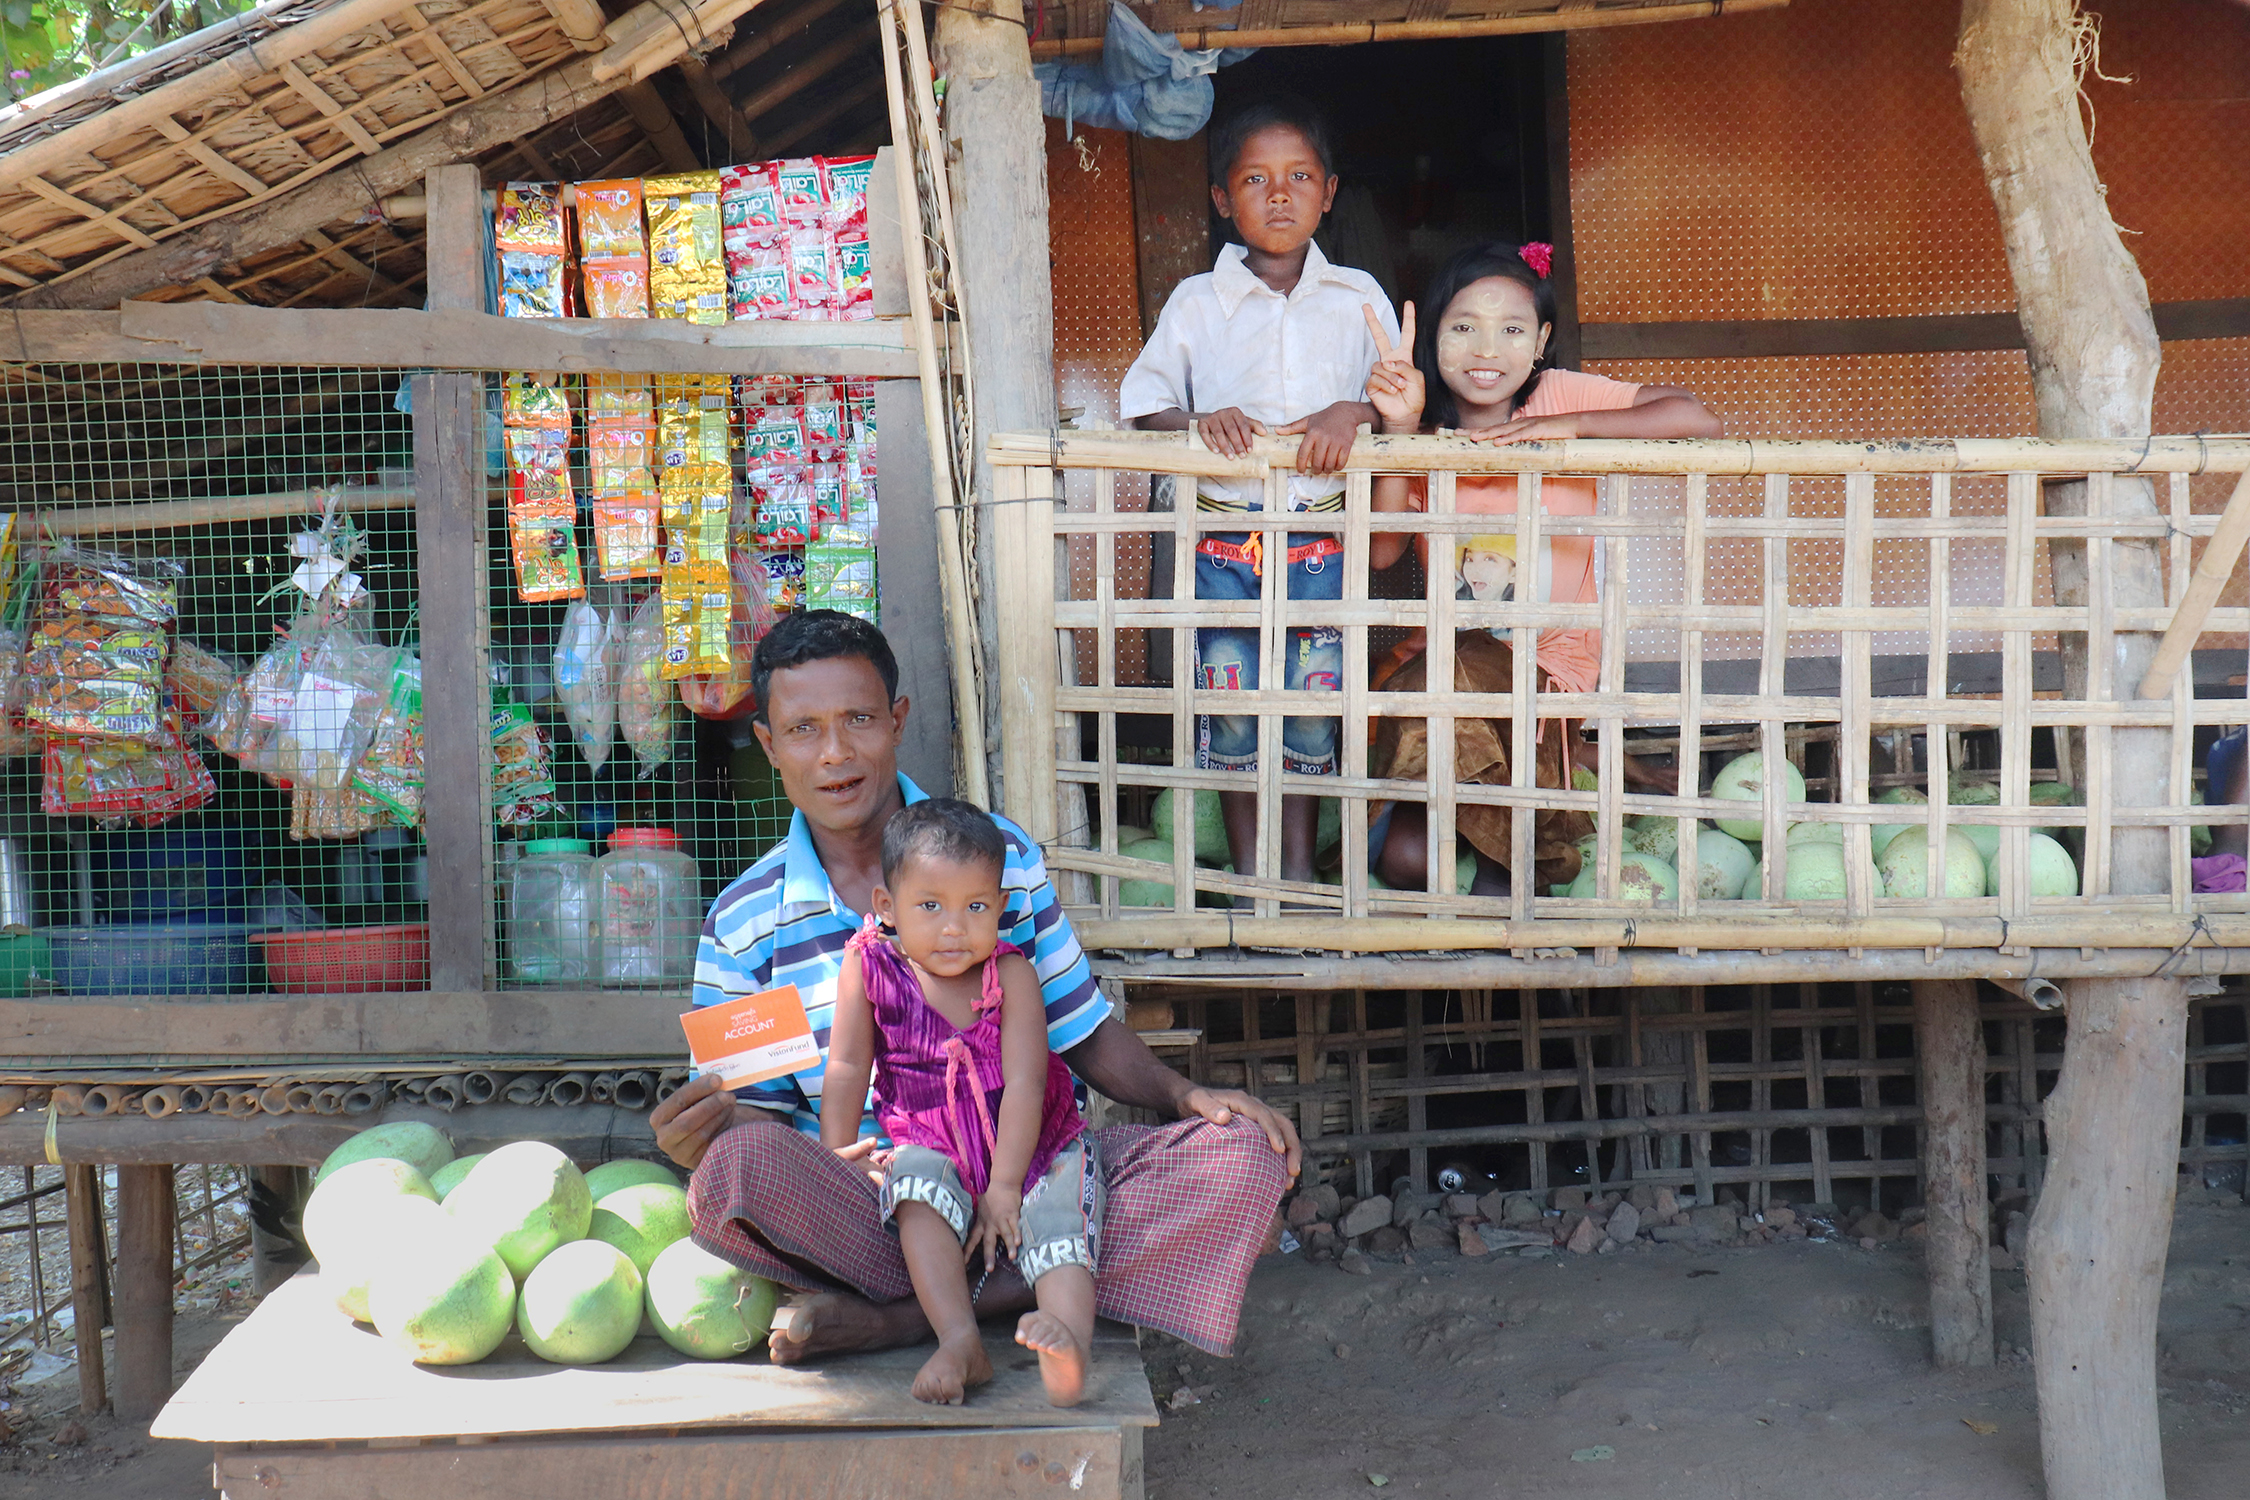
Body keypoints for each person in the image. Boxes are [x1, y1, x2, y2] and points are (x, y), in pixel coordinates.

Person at [651, 609, 1298, 1370]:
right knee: (733, 1171)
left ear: (897, 721)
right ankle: (990, 1291)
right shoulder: (743, 923)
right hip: (869, 1208)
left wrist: (1182, 1093)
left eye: (859, 719)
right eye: (803, 729)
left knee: (1242, 1156)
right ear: (769, 746)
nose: (835, 752)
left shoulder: (1001, 858)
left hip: (1023, 1180)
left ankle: (900, 1321)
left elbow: (1078, 1027)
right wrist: (698, 1139)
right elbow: (754, 1111)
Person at [1362, 240, 1722, 893]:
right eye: (1463, 327)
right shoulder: (1425, 431)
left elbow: (1698, 419)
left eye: (1512, 330)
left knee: (1511, 867)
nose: (1486, 349)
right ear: (1432, 338)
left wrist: (1573, 429)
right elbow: (1382, 549)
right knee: (1408, 863)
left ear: (1541, 341)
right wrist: (1401, 431)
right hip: (1443, 683)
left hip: (1545, 675)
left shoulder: (1556, 397)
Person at [1120, 94, 1398, 888]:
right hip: (1222, 544)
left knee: (1309, 704)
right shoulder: (1196, 304)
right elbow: (1145, 405)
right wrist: (1202, 420)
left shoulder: (1357, 297)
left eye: (1299, 176)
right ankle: (1249, 879)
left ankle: (1300, 875)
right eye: (1255, 179)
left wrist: (1355, 408)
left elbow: (1401, 398)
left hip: (1321, 542)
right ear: (1222, 199)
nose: (1279, 195)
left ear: (1330, 192)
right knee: (1234, 701)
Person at [822, 799, 1104, 1407]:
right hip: (929, 1143)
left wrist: (1005, 1187)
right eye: (930, 907)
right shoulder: (868, 967)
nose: (954, 927)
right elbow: (847, 1065)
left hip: (1029, 1144)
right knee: (915, 1192)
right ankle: (959, 1340)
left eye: (975, 907)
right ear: (887, 908)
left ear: (1001, 909)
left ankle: (1070, 1347)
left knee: (1058, 1212)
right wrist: (835, 1153)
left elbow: (1028, 1083)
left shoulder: (1013, 976)